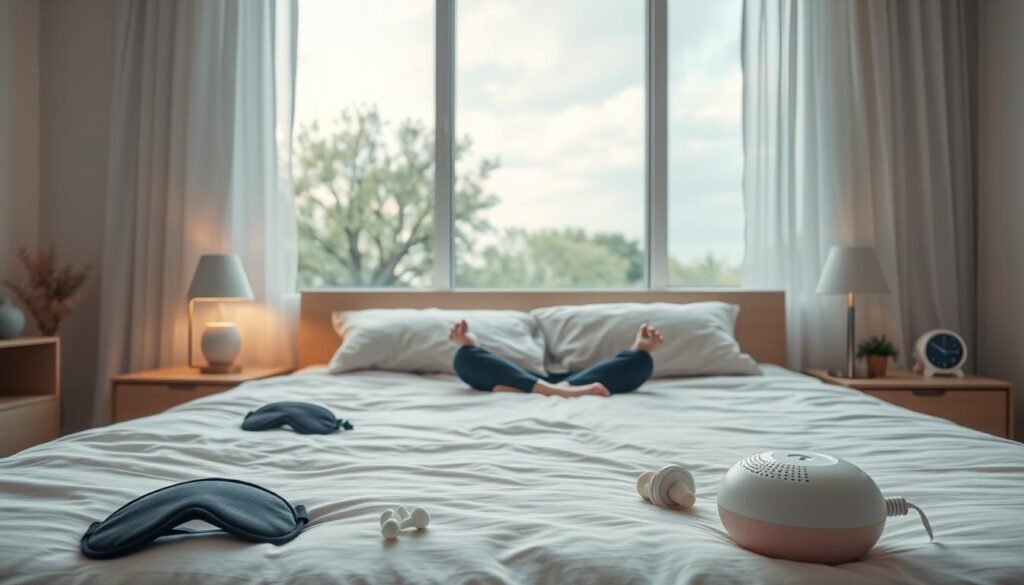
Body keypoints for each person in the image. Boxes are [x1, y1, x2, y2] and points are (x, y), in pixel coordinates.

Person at [449, 320, 664, 398]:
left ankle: (554, 388)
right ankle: (557, 391)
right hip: (516, 376)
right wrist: (470, 344)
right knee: (463, 356)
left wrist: (639, 349)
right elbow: (480, 362)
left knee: (643, 361)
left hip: (579, 379)